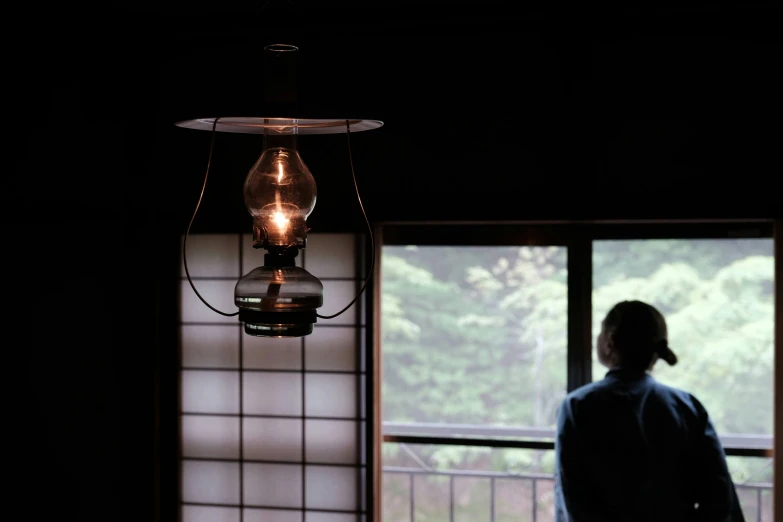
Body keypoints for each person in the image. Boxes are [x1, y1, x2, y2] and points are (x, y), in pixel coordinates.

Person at [554, 300, 745, 522]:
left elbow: (574, 498)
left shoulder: (579, 405)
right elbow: (719, 497)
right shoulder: (686, 407)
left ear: (609, 341)